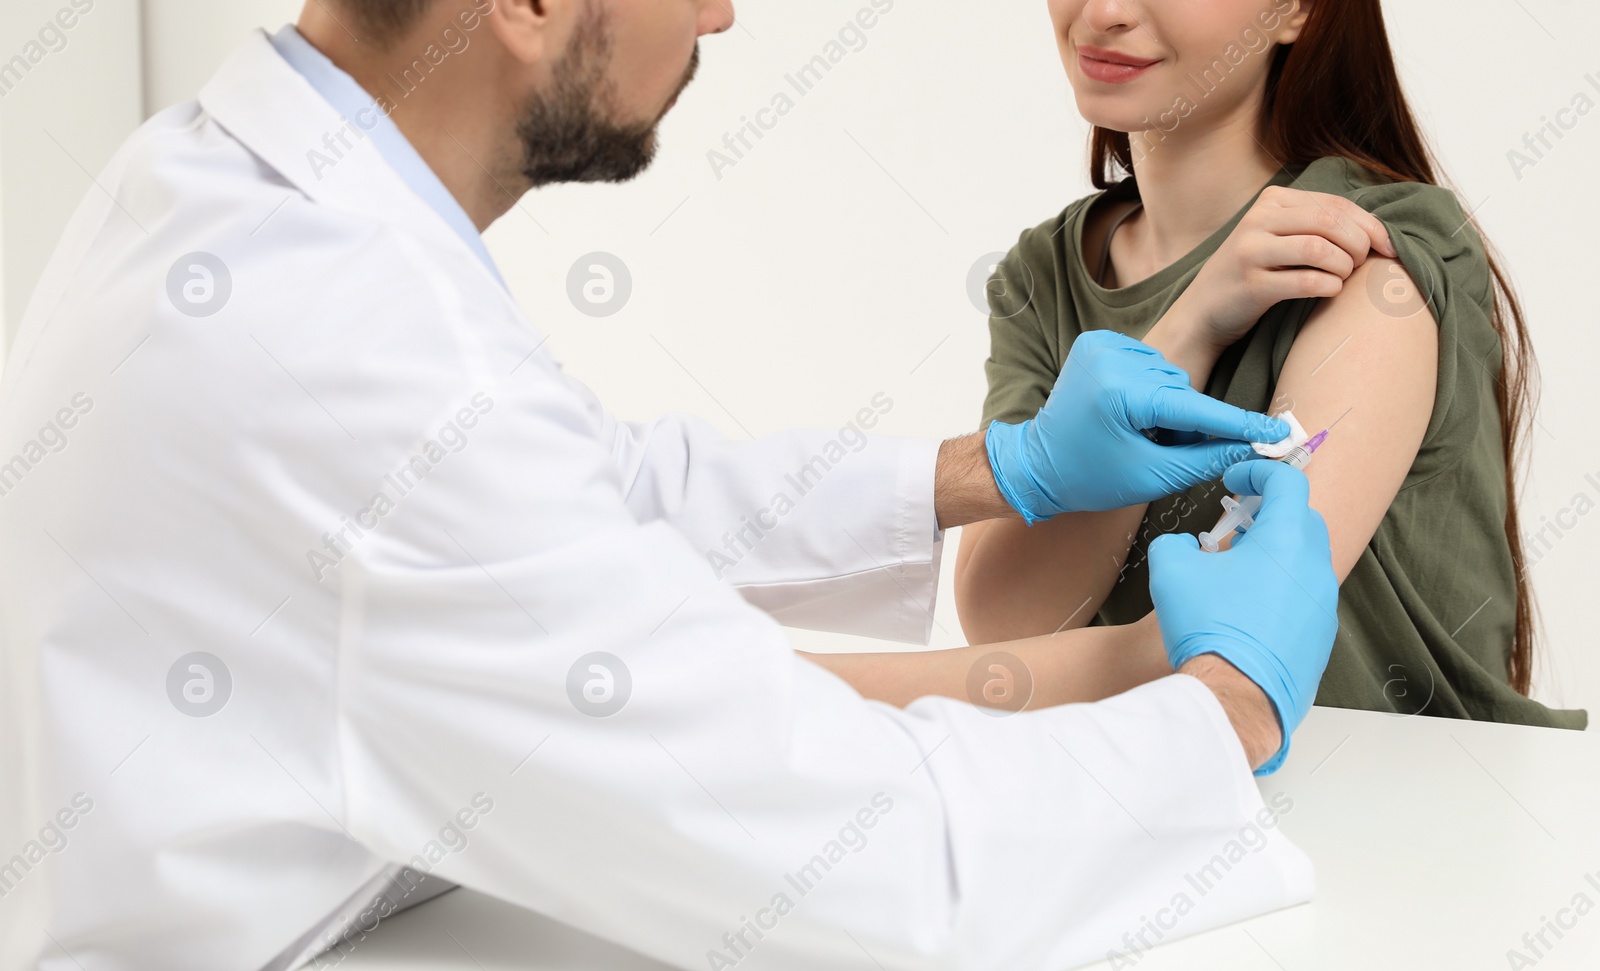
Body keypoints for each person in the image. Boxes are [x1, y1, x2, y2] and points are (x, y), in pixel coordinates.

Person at [0, 1, 1336, 968]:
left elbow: (587, 482)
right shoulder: (365, 359)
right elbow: (883, 866)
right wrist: (1225, 705)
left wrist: (1003, 468)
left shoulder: (212, 178)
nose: (722, 13)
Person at [955, 0, 1586, 730]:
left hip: (1405, 822)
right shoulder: (1044, 275)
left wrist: (832, 694)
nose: (1105, 12)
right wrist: (1190, 326)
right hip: (1151, 811)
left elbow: (1230, 650)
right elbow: (1008, 620)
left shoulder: (1370, 255)